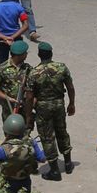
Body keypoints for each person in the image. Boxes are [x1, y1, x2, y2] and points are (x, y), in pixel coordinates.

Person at [23, 41, 75, 180]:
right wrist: (71, 104)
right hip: (59, 104)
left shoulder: (34, 73)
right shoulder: (61, 68)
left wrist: (28, 116)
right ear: (51, 54)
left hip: (43, 107)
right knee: (62, 131)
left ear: (39, 55)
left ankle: (55, 171)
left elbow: (29, 98)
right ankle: (68, 163)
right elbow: (70, 87)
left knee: (47, 137)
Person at [0, 113, 45, 193]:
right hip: (25, 180)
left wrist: (4, 142)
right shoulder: (30, 142)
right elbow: (41, 158)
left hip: (9, 181)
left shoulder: (4, 148)